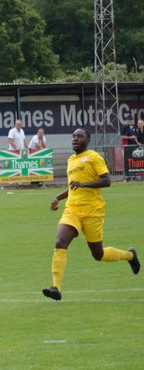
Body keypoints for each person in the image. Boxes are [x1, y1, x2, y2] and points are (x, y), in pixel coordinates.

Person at [42, 128, 139, 301]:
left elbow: (107, 180)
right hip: (72, 210)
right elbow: (74, 187)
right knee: (60, 242)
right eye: (73, 136)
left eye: (79, 136)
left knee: (98, 255)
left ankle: (130, 255)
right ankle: (56, 287)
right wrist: (58, 197)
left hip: (93, 211)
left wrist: (85, 185)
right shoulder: (71, 160)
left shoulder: (93, 156)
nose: (75, 139)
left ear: (87, 140)